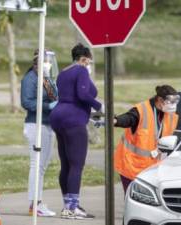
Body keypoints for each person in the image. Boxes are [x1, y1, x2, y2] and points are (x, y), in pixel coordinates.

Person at [49, 43, 103, 220]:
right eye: (88, 62)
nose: (89, 65)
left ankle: (68, 205)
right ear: (84, 59)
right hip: (73, 119)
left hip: (57, 117)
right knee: (76, 165)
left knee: (66, 164)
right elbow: (84, 95)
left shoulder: (63, 73)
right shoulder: (80, 70)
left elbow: (90, 90)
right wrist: (100, 107)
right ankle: (72, 208)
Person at [114, 85, 179, 193]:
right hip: (131, 166)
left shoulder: (170, 115)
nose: (174, 105)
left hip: (153, 168)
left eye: (175, 101)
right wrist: (116, 121)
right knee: (133, 199)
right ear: (160, 100)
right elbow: (128, 119)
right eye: (170, 101)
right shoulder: (141, 110)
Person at [21, 49, 58, 217]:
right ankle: (35, 203)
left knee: (42, 167)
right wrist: (47, 106)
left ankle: (37, 202)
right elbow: (27, 102)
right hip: (35, 125)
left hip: (48, 124)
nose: (48, 65)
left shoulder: (46, 78)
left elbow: (55, 95)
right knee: (36, 165)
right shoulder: (29, 79)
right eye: (45, 62)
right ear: (36, 63)